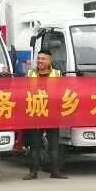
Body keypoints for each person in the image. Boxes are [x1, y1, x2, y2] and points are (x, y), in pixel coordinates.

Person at [24, 49, 67, 180]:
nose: (40, 61)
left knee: (54, 145)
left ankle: (55, 172)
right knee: (35, 146)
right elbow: (23, 91)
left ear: (50, 60)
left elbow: (64, 91)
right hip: (36, 112)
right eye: (38, 58)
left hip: (52, 114)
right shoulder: (30, 73)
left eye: (43, 59)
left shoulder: (57, 74)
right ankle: (33, 172)